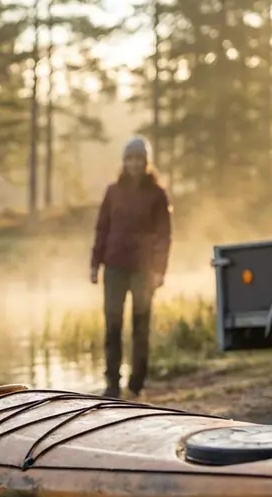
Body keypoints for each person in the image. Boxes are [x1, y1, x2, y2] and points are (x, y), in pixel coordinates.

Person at [89, 136, 173, 399]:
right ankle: (112, 384)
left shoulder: (157, 194)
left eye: (139, 159)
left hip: (143, 270)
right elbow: (102, 228)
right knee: (112, 325)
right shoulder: (113, 192)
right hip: (114, 266)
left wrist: (159, 270)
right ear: (124, 162)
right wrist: (95, 264)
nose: (134, 164)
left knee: (140, 326)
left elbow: (164, 235)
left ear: (146, 162)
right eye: (130, 159)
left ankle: (137, 383)